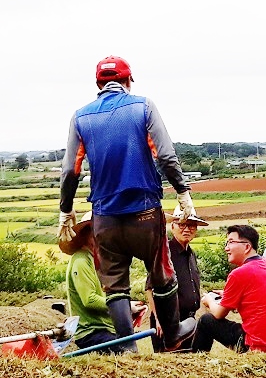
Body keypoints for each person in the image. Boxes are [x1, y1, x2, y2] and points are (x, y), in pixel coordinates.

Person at [58, 56, 197, 352]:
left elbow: (71, 169)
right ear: (128, 81)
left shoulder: (80, 117)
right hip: (145, 212)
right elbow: (165, 155)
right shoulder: (142, 106)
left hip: (105, 218)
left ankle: (127, 348)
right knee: (161, 271)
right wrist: (183, 193)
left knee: (114, 284)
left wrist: (66, 208)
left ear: (98, 84)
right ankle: (172, 333)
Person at [192, 225, 266, 353]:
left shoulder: (239, 274)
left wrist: (209, 301)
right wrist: (228, 295)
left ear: (247, 247)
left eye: (231, 242)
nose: (226, 248)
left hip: (261, 345)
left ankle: (196, 361)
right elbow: (258, 297)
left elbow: (219, 314)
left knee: (206, 321)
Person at [62, 212, 147, 353]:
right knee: (125, 352)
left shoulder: (99, 260)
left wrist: (126, 310)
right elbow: (89, 300)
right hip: (91, 332)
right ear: (86, 234)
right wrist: (125, 307)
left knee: (130, 348)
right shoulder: (81, 261)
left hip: (106, 329)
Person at [148, 206, 208, 352]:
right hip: (168, 323)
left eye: (191, 225)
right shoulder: (164, 252)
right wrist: (158, 320)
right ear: (172, 226)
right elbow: (149, 288)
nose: (187, 229)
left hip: (189, 322)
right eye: (182, 224)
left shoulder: (191, 254)